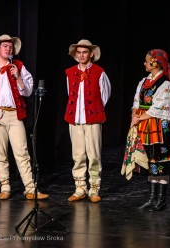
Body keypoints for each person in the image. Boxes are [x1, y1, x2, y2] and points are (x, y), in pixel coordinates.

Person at [0, 34, 49, 200]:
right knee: (0, 153)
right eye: (5, 46)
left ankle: (30, 188)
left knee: (22, 152)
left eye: (10, 47)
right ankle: (5, 186)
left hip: (15, 114)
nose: (9, 49)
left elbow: (28, 91)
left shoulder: (19, 66)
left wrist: (19, 77)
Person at [130, 49, 170, 211]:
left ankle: (161, 199)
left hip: (158, 126)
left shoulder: (164, 83)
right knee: (150, 161)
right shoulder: (144, 81)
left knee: (161, 160)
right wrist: (134, 115)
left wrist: (140, 117)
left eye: (147, 61)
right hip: (144, 124)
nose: (144, 63)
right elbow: (136, 101)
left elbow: (160, 106)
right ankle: (152, 197)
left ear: (155, 62)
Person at [65, 39, 111, 203]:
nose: (82, 55)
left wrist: (94, 111)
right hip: (75, 119)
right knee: (78, 155)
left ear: (91, 54)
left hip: (92, 118)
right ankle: (79, 188)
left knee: (94, 154)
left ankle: (94, 188)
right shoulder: (70, 72)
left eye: (85, 52)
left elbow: (105, 94)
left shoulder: (99, 72)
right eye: (79, 52)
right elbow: (70, 92)